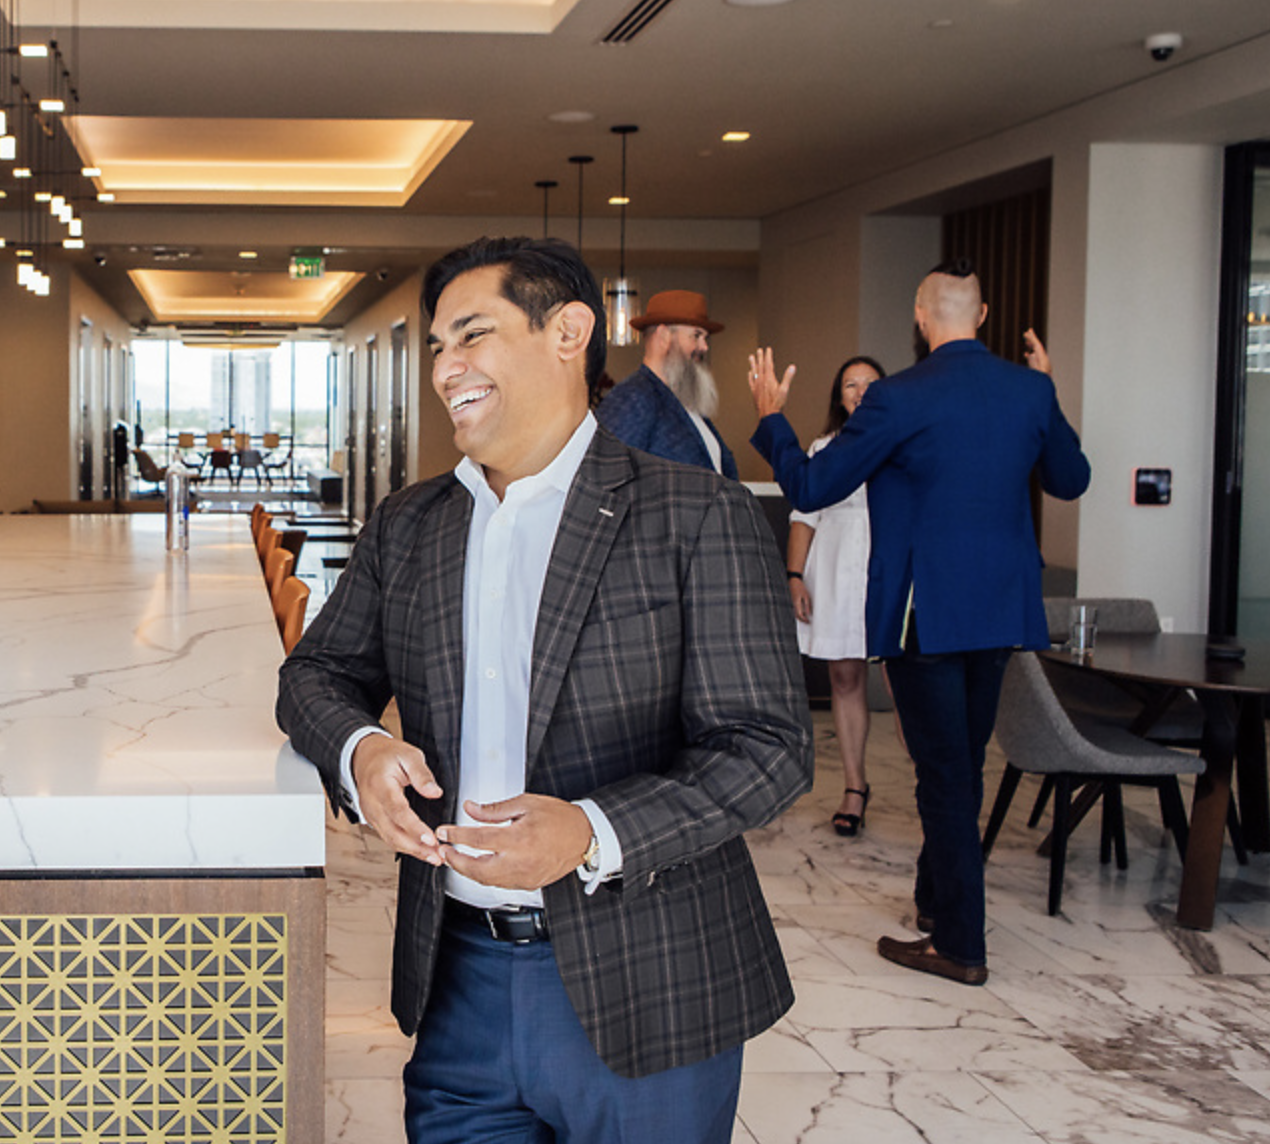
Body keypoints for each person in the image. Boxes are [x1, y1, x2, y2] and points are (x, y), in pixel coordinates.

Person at [277, 235, 810, 1143]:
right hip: (458, 987)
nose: (448, 368)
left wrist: (591, 832)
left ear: (569, 332)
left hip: (650, 984)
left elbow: (767, 749)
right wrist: (361, 751)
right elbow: (315, 676)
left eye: (472, 336)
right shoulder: (411, 523)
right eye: (438, 347)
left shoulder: (695, 515)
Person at [747, 261, 1089, 986]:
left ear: (920, 315)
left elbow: (812, 485)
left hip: (924, 616)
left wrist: (772, 419)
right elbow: (1070, 479)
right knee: (960, 766)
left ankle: (961, 944)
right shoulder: (1030, 389)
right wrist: (1048, 392)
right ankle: (937, 904)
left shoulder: (898, 397)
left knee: (944, 778)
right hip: (1000, 612)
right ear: (985, 313)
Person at [786, 356, 888, 837]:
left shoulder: (902, 443)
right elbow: (805, 516)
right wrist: (794, 576)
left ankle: (933, 789)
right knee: (844, 679)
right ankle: (854, 786)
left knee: (904, 683)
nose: (860, 391)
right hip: (834, 566)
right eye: (851, 384)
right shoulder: (823, 447)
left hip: (887, 569)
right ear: (839, 396)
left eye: (870, 383)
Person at [593, 288, 738, 477]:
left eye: (705, 337)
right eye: (696, 335)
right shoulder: (634, 397)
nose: (704, 347)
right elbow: (605, 475)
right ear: (664, 336)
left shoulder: (686, 403)